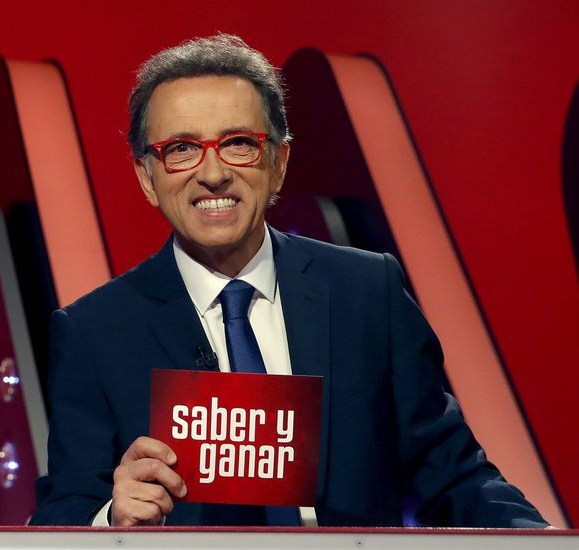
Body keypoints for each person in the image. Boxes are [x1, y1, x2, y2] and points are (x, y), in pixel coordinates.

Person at [29, 34, 547, 528]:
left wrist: (541, 540)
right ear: (148, 177)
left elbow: (454, 474)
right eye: (181, 149)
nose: (213, 173)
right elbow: (62, 511)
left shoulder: (369, 292)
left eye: (238, 143)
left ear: (278, 163)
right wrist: (112, 518)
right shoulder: (94, 330)